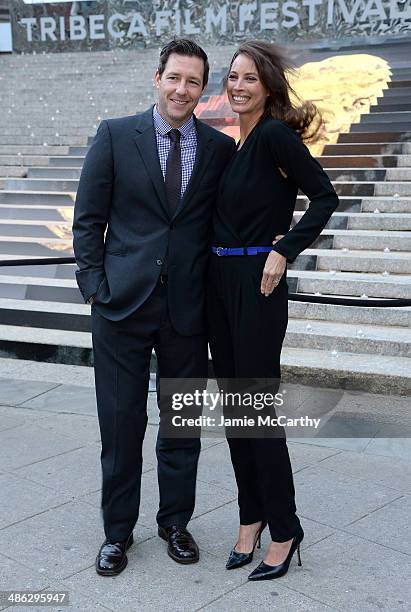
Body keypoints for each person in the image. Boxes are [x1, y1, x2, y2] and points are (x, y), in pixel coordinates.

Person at [72, 38, 235, 575]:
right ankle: (117, 533)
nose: (182, 89)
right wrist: (94, 285)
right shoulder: (117, 135)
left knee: (181, 425)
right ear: (157, 77)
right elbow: (88, 218)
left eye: (193, 81)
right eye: (174, 78)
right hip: (120, 306)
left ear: (202, 88)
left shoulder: (217, 148)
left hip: (187, 311)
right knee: (120, 427)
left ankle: (175, 524)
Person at [207, 41, 339, 581]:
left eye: (249, 80)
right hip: (220, 284)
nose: (238, 87)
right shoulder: (235, 144)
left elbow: (324, 196)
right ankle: (250, 516)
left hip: (258, 287)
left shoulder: (275, 137)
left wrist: (284, 250)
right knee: (236, 411)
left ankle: (284, 528)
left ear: (267, 87)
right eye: (232, 78)